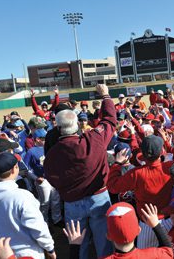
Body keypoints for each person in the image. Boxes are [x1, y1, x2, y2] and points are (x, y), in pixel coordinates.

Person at [44, 84, 116, 258]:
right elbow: (110, 120)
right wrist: (105, 95)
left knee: (78, 245)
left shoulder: (53, 153)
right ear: (77, 125)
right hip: (98, 197)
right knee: (104, 243)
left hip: (72, 202)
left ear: (58, 128)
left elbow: (51, 178)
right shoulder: (94, 139)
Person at [107, 132, 174, 248]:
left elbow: (113, 187)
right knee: (167, 254)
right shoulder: (169, 167)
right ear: (161, 152)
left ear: (143, 153)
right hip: (170, 221)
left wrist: (117, 163)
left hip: (147, 224)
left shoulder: (136, 173)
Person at [0, 152, 55, 258]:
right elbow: (38, 227)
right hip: (28, 253)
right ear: (14, 169)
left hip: (3, 253)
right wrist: (49, 248)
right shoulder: (22, 196)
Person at [24, 128, 62, 226]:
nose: (46, 140)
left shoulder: (51, 147)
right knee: (45, 202)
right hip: (42, 179)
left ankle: (57, 219)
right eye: (43, 138)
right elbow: (26, 169)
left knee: (56, 199)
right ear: (37, 139)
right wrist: (35, 178)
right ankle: (44, 222)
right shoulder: (31, 152)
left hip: (53, 178)